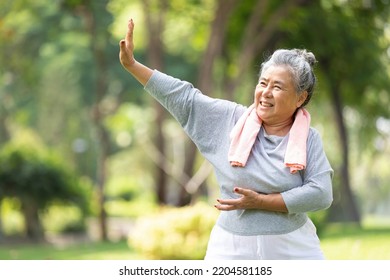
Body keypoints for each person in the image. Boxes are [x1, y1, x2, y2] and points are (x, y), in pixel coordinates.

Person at [119, 19, 333, 260]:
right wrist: (132, 65)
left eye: (278, 87)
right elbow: (184, 97)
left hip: (294, 247)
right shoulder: (229, 120)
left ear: (300, 98)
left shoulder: (308, 138)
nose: (265, 92)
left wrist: (262, 202)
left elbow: (321, 193)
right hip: (231, 248)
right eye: (263, 83)